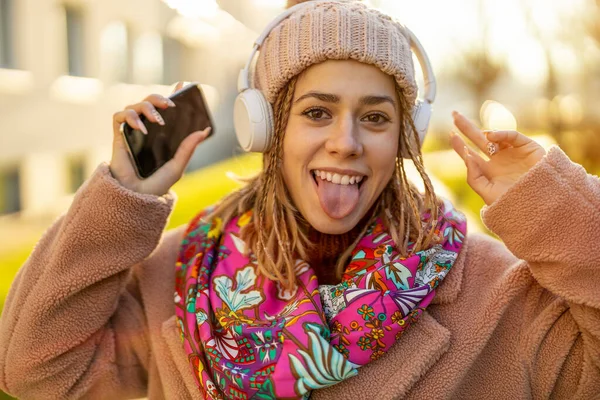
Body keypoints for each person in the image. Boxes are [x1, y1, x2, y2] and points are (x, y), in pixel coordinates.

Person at [1, 0, 599, 399]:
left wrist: (557, 207)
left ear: (405, 137)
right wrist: (122, 194)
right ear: (265, 128)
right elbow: (33, 367)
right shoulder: (173, 283)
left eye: (375, 117)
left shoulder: (498, 294)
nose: (346, 143)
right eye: (316, 112)